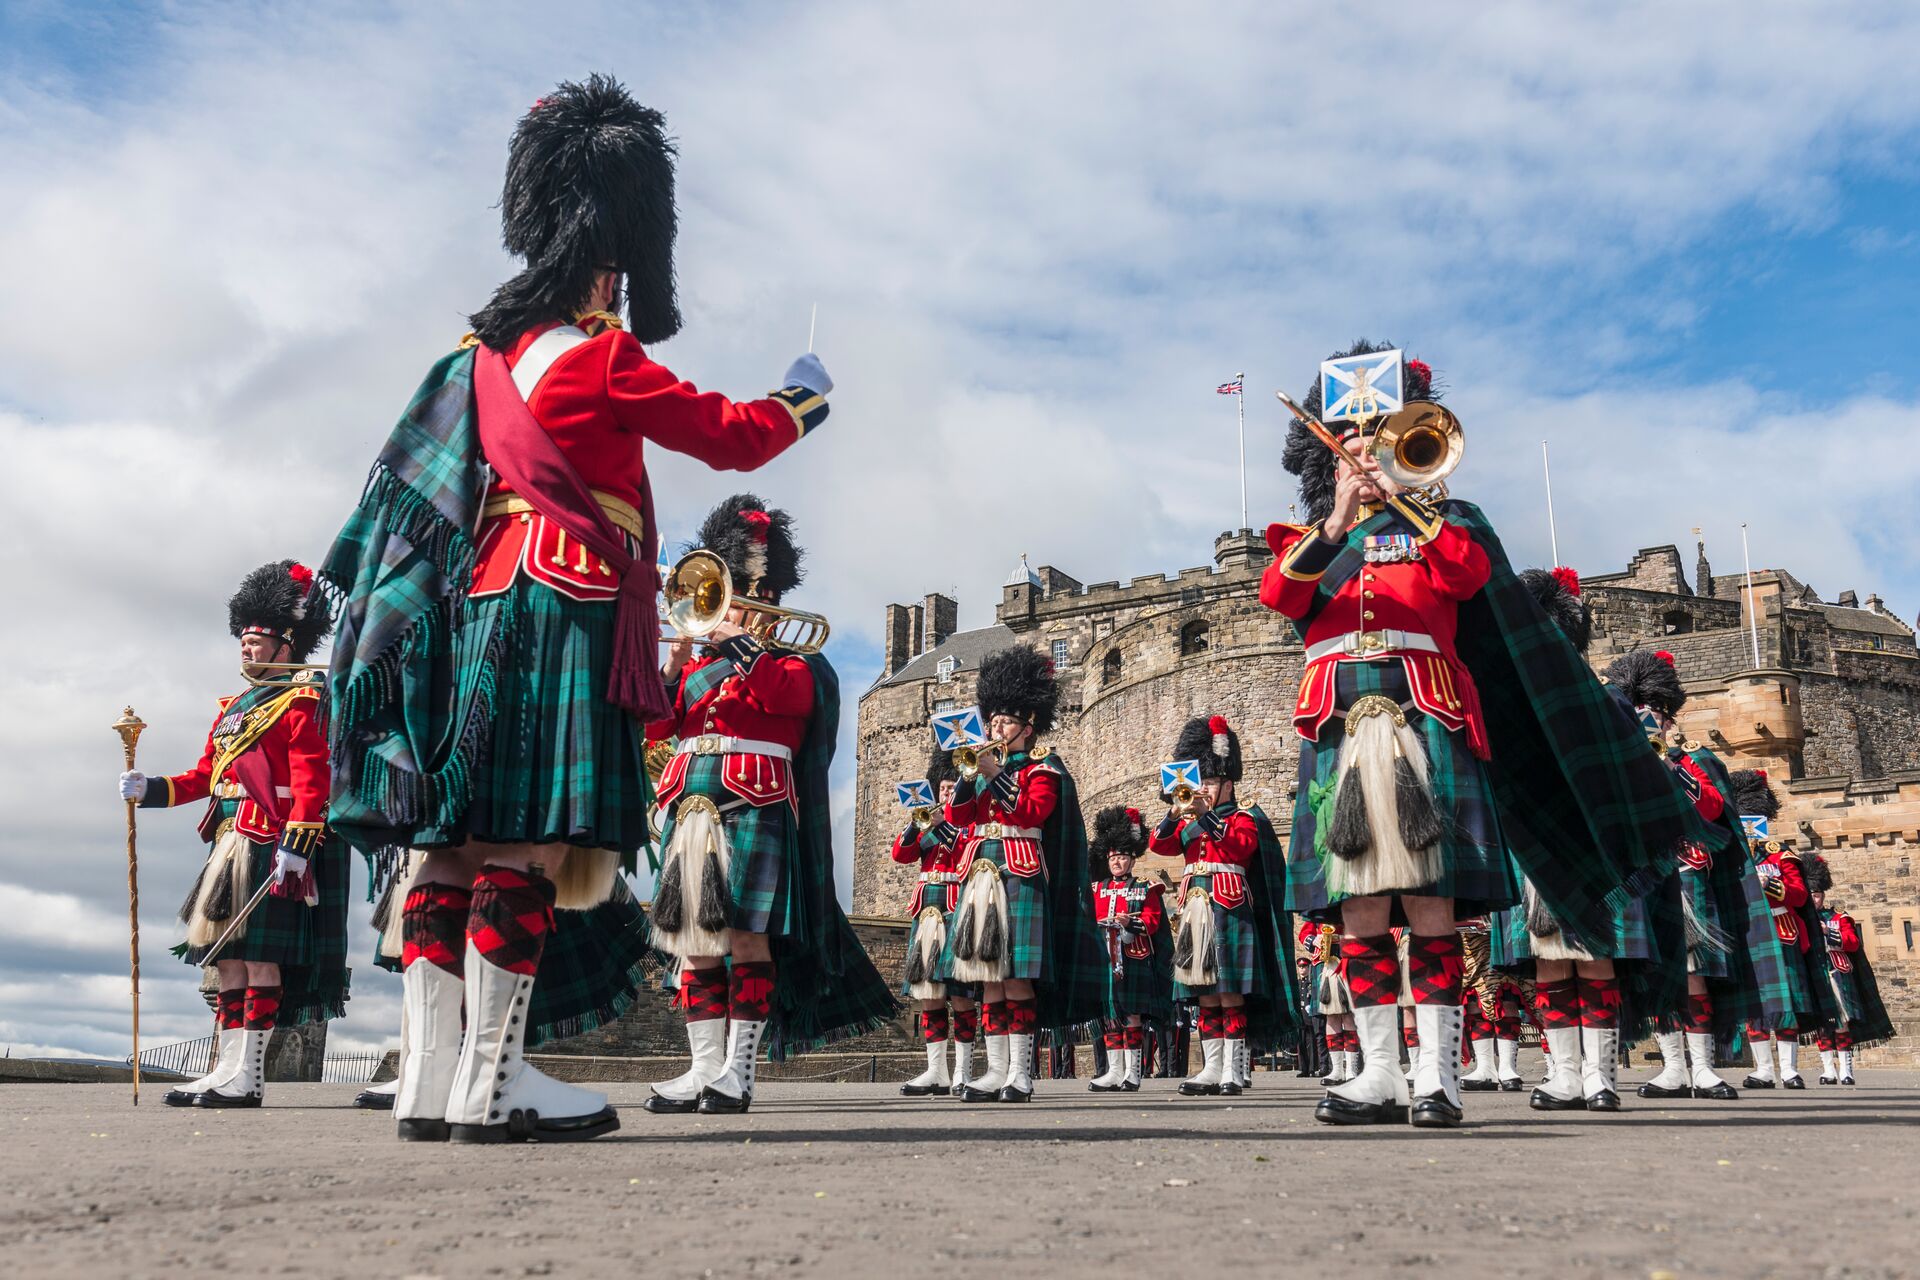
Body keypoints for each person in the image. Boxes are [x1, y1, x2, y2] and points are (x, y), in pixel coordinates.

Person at [320, 76, 831, 1143]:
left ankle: (435, 1079)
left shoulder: (484, 356)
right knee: (533, 848)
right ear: (618, 250)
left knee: (452, 848)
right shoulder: (603, 353)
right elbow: (732, 433)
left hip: (476, 608)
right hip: (570, 598)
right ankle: (492, 1086)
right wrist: (805, 398)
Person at [1264, 342, 1704, 1129]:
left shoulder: (1448, 523)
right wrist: (1337, 517)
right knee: (1359, 912)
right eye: (1350, 444)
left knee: (1431, 907)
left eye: (1379, 438)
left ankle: (1438, 1078)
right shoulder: (1308, 541)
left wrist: (1403, 497)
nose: (1364, 454)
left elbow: (1463, 577)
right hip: (1339, 730)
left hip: (1425, 719)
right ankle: (1376, 1077)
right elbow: (1281, 596)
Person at [644, 496, 895, 1114]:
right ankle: (702, 1068)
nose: (718, 608)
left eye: (729, 596)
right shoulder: (697, 663)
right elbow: (654, 727)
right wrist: (673, 665)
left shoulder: (795, 657)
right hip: (693, 797)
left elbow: (791, 705)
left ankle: (740, 1071)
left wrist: (737, 644)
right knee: (694, 942)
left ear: (763, 595)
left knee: (746, 939)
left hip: (757, 798)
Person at [120, 560, 350, 1109]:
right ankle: (224, 1070)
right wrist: (150, 788)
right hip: (230, 840)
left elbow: (311, 779)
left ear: (286, 644)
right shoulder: (232, 709)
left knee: (257, 958)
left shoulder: (303, 699)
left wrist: (298, 846)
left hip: (273, 840)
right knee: (225, 959)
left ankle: (248, 1077)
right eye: (243, 641)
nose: (246, 650)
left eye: (257, 642)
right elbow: (205, 777)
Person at [937, 646, 1105, 1103]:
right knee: (987, 976)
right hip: (979, 872)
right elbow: (958, 814)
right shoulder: (983, 766)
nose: (995, 729)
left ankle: (1020, 1073)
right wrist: (973, 776)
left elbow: (1032, 811)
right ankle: (994, 1071)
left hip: (1019, 868)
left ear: (1028, 727)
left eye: (1005, 723)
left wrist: (994, 774)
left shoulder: (1044, 768)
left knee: (1016, 978)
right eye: (992, 721)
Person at [1150, 716, 1295, 1097]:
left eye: (1211, 783)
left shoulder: (1245, 816)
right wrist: (1174, 809)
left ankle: (1234, 1066)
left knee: (1230, 992)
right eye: (1203, 783)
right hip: (1195, 906)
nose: (1205, 790)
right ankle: (1212, 1067)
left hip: (1229, 906)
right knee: (1205, 994)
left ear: (1228, 783)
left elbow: (1240, 848)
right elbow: (1159, 845)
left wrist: (1206, 816)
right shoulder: (1188, 819)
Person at [892, 748, 977, 1097]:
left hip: (955, 905)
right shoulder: (927, 819)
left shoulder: (969, 821)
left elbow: (965, 852)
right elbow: (901, 853)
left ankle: (963, 1071)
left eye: (951, 787)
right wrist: (916, 823)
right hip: (926, 906)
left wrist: (943, 827)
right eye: (942, 788)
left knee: (960, 994)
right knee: (929, 994)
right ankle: (935, 1070)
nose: (946, 794)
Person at [1087, 806, 1171, 1092]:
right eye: (1113, 858)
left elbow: (1153, 921)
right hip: (1103, 958)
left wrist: (1128, 925)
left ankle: (1133, 1073)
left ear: (1132, 859)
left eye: (1122, 857)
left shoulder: (1145, 887)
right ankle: (1113, 1071)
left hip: (1132, 956)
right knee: (1110, 1015)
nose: (1117, 862)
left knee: (1131, 1013)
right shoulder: (1096, 888)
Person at [1805, 856, 1894, 1084]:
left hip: (1837, 974)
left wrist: (1827, 933)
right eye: (1810, 895)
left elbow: (1852, 942)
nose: (1814, 899)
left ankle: (1846, 1070)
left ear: (1823, 895)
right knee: (1822, 1026)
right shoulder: (1801, 919)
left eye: (1817, 895)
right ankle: (1827, 1070)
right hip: (1814, 974)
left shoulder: (1838, 917)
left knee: (1842, 1024)